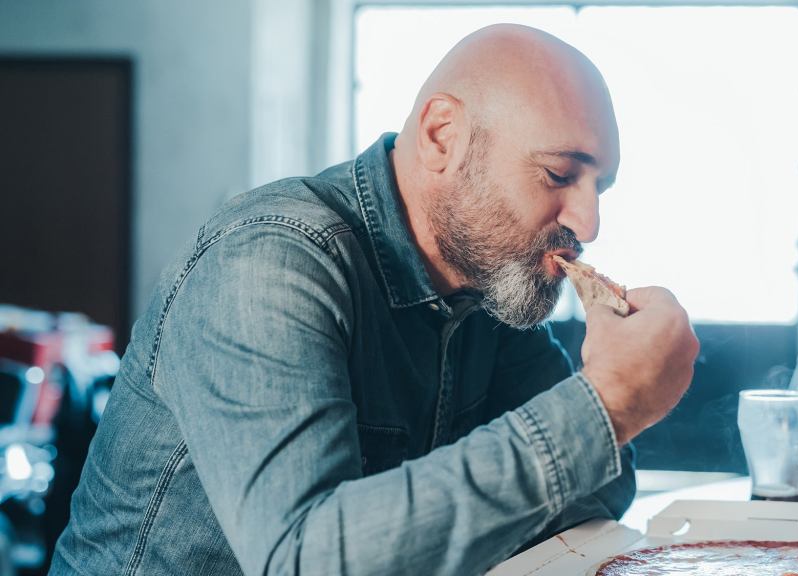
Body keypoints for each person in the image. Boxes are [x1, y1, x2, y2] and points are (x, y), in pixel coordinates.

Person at [50, 24, 698, 576]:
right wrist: (606, 404)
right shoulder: (269, 261)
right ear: (443, 136)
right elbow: (301, 558)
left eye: (599, 186)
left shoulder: (491, 277)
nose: (588, 223)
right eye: (559, 175)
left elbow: (597, 493)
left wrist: (612, 408)